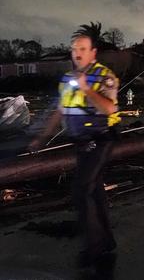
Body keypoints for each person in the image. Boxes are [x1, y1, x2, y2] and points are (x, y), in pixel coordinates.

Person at [28, 29, 121, 266]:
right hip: (81, 143)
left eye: (82, 49)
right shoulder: (68, 79)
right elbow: (60, 111)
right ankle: (107, 240)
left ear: (93, 52)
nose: (77, 54)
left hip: (101, 139)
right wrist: (43, 138)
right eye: (74, 49)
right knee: (95, 191)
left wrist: (87, 89)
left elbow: (110, 109)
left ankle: (94, 245)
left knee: (81, 190)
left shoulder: (104, 76)